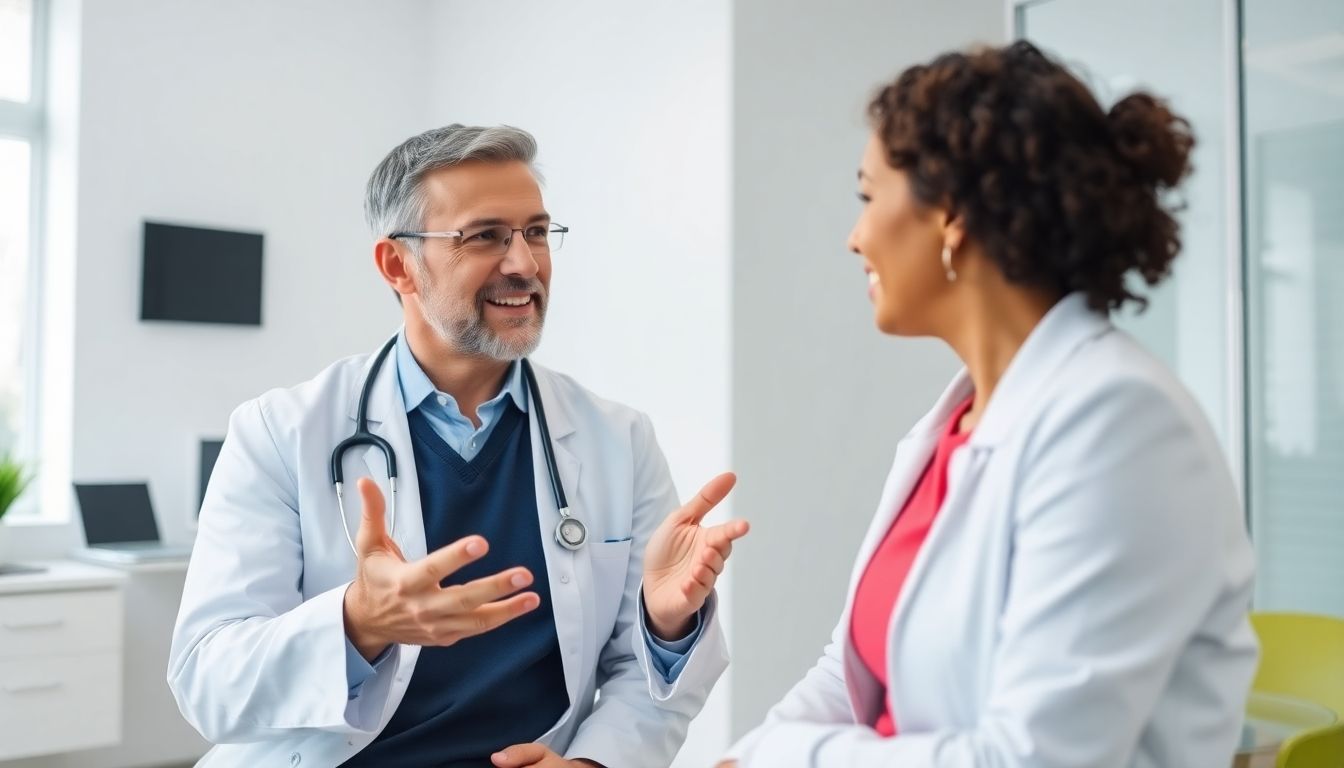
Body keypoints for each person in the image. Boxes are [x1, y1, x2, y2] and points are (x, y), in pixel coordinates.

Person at [720, 41, 1257, 767]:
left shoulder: (1121, 424)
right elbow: (852, 678)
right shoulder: (955, 425)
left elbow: (1033, 759)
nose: (855, 238)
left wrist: (783, 759)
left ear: (951, 212)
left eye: (868, 197)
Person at [169, 124, 748, 768]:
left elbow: (644, 677)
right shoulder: (281, 432)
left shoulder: (618, 439)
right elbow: (207, 681)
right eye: (486, 236)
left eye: (535, 232)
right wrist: (360, 622)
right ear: (398, 266)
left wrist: (603, 741)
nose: (524, 264)